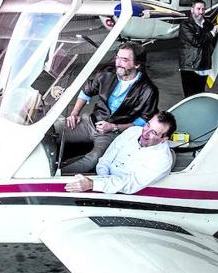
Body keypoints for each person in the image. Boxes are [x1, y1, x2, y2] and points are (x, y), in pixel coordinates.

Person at [54, 42, 159, 174]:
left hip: (113, 133)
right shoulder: (107, 74)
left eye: (124, 60)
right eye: (118, 58)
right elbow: (86, 91)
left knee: (95, 159)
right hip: (90, 123)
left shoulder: (149, 90)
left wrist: (114, 127)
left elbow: (144, 120)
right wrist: (74, 113)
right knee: (51, 130)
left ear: (137, 64)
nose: (118, 63)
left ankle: (55, 176)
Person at [64, 111, 176, 195]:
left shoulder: (163, 160)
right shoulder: (132, 131)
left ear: (164, 139)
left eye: (154, 132)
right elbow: (106, 158)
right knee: (65, 165)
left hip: (121, 195)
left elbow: (129, 184)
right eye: (147, 125)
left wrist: (94, 184)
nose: (145, 133)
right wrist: (101, 177)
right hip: (100, 179)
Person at [178, 0, 218, 98]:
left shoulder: (208, 25)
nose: (201, 12)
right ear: (192, 9)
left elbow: (213, 44)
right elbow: (196, 42)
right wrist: (212, 33)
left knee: (200, 94)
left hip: (204, 66)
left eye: (203, 9)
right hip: (189, 66)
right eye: (198, 9)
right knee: (190, 97)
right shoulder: (185, 25)